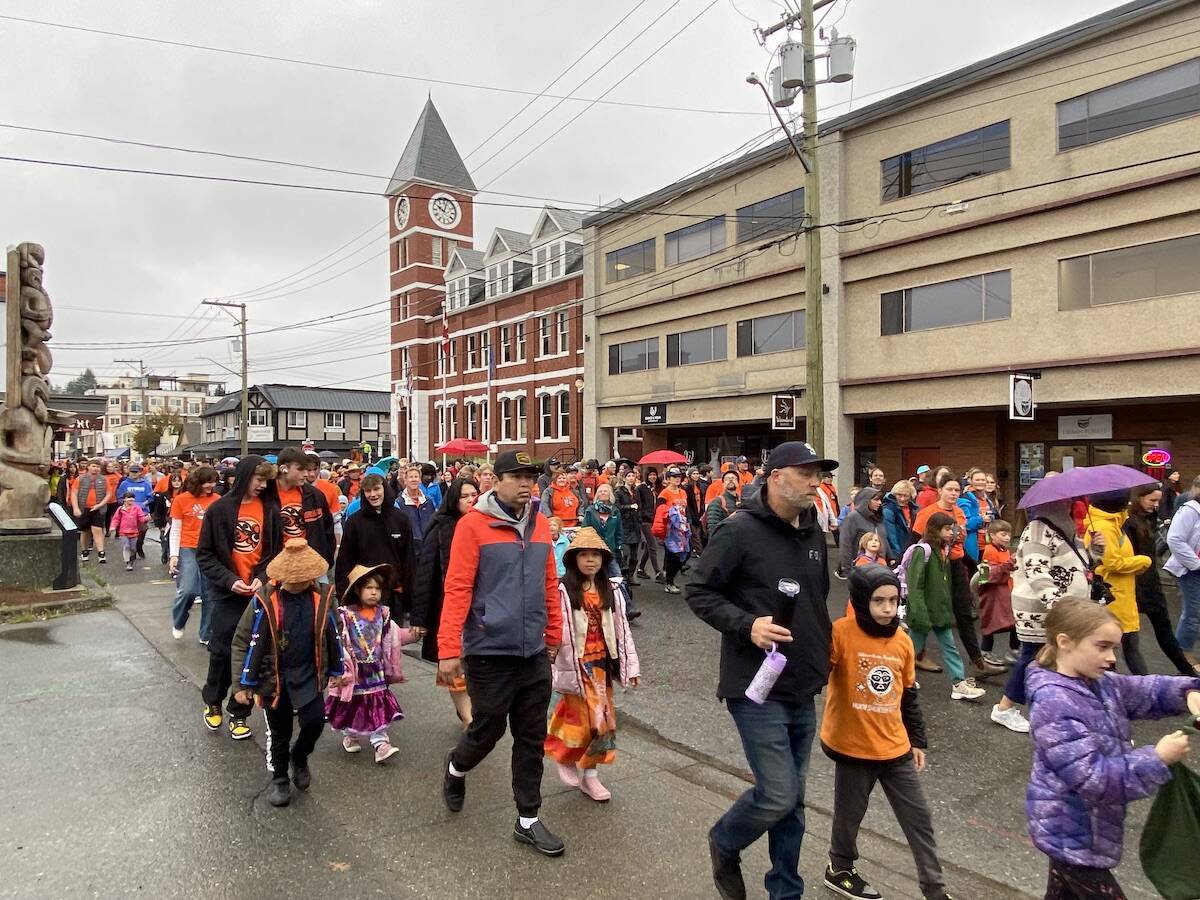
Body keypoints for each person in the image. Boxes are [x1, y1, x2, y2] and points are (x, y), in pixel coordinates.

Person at [687, 441, 836, 900]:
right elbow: (699, 591)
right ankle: (724, 840)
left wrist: (826, 657)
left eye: (819, 474)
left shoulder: (812, 532)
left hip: (802, 684)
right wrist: (747, 625)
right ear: (775, 477)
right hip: (755, 687)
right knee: (778, 793)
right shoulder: (738, 530)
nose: (816, 483)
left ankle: (785, 892)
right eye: (806, 473)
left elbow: (816, 602)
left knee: (794, 802)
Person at [1025, 599, 1200, 899]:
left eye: (1114, 648)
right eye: (1102, 647)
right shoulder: (1054, 704)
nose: (1110, 658)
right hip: (1072, 835)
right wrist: (1157, 758)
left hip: (1083, 829)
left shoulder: (1098, 682)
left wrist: (1187, 692)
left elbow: (1144, 691)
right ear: (1065, 642)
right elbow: (1093, 779)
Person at [437, 451, 565, 857]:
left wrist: (554, 632)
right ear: (496, 480)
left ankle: (527, 818)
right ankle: (457, 767)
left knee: (531, 736)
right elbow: (458, 586)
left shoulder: (540, 523)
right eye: (517, 476)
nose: (527, 484)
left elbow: (549, 581)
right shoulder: (473, 525)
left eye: (531, 477)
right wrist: (448, 648)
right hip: (489, 649)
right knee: (488, 729)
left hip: (532, 651)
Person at [821, 565, 949, 900]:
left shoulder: (902, 641)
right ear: (862, 600)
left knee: (919, 820)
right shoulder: (841, 632)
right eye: (879, 601)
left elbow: (908, 694)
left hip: (895, 748)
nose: (888, 608)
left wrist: (917, 739)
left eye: (893, 600)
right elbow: (817, 672)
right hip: (852, 746)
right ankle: (840, 868)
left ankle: (934, 889)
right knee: (849, 817)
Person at [230, 538, 344, 808]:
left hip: (309, 673)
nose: (296, 584)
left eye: (302, 579)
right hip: (274, 677)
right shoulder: (263, 599)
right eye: (291, 580)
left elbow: (334, 632)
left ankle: (300, 756)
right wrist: (240, 684)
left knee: (315, 722)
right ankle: (280, 778)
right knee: (280, 732)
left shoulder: (324, 597)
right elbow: (241, 640)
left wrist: (338, 668)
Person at [545, 527, 640, 802]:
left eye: (595, 555)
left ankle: (590, 774)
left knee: (603, 722)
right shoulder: (563, 590)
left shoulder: (612, 589)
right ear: (573, 559)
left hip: (601, 664)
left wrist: (631, 667)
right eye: (584, 555)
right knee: (582, 718)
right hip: (575, 664)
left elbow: (622, 631)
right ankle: (565, 755)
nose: (590, 560)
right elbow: (555, 628)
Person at [990, 498, 1092, 734]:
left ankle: (1065, 710)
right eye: (1064, 499)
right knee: (1034, 657)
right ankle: (1005, 708)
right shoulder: (1038, 529)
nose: (1069, 502)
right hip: (1041, 610)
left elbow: (1079, 564)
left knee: (1054, 658)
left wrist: (1096, 549)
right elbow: (1037, 571)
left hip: (1064, 608)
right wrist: (1058, 605)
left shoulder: (1065, 526)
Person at [197, 455, 279, 740]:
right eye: (259, 479)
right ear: (245, 477)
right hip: (226, 594)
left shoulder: (270, 509)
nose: (263, 485)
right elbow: (205, 556)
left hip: (257, 594)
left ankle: (239, 712)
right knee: (221, 652)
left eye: (267, 480)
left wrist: (262, 577)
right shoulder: (219, 509)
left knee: (252, 653)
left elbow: (275, 553)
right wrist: (230, 581)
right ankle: (213, 701)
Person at [912, 475, 1001, 680]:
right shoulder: (927, 513)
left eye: (956, 490)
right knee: (930, 614)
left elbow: (959, 546)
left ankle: (978, 662)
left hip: (956, 565)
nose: (953, 494)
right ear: (940, 490)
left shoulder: (959, 512)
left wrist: (975, 565)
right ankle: (913, 656)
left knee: (964, 614)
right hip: (935, 567)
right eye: (949, 489)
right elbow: (914, 542)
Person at [326, 563, 414, 764]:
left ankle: (380, 744)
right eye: (369, 588)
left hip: (376, 670)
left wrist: (414, 634)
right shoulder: (345, 615)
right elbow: (336, 641)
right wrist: (338, 668)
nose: (374, 592)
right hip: (354, 671)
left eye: (377, 588)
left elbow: (394, 636)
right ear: (357, 590)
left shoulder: (384, 614)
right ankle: (350, 734)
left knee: (377, 704)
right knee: (352, 705)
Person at [411, 477, 480, 729]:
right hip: (448, 605)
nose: (470, 500)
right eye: (465, 496)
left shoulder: (485, 524)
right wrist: (419, 618)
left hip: (481, 607)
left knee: (475, 665)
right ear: (453, 500)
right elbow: (425, 573)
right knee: (455, 662)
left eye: (474, 495)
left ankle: (470, 711)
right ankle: (468, 716)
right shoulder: (441, 527)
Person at [906, 512, 986, 702]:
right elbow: (915, 585)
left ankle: (958, 683)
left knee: (949, 647)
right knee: (910, 650)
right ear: (936, 530)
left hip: (939, 611)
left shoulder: (944, 550)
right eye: (948, 529)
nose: (952, 533)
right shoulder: (923, 551)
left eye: (952, 529)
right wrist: (919, 611)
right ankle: (900, 678)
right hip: (924, 612)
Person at [1126, 484, 1198, 675]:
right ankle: (1142, 681)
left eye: (1158, 500)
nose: (1156, 504)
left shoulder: (1149, 518)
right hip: (1133, 583)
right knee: (1129, 640)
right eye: (1152, 500)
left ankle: (1188, 673)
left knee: (1165, 632)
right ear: (1139, 498)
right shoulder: (1129, 522)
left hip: (1151, 583)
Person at [1086, 489, 1152, 675]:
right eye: (1126, 501)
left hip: (1120, 594)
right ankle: (1144, 686)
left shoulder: (1114, 524)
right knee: (1122, 647)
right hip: (1113, 596)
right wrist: (1143, 561)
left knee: (1121, 647)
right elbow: (1112, 563)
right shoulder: (1105, 527)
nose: (1129, 504)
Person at [335, 472, 417, 615]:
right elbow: (345, 561)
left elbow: (409, 559)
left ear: (384, 489)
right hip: (363, 596)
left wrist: (409, 595)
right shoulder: (354, 522)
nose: (373, 494)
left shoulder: (401, 519)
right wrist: (344, 596)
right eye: (368, 491)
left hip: (394, 594)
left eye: (377, 489)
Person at [169, 466, 219, 644]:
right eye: (208, 482)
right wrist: (174, 555)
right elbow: (176, 529)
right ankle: (179, 619)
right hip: (188, 548)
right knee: (188, 590)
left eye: (214, 482)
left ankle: (206, 634)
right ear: (198, 482)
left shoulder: (217, 500)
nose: (211, 486)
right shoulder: (181, 500)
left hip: (210, 550)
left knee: (210, 594)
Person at [977, 519, 1019, 667]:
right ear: (992, 535)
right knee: (990, 623)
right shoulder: (989, 551)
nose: (1007, 537)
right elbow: (986, 576)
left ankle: (1014, 650)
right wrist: (1009, 565)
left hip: (1005, 592)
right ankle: (985, 651)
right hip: (993, 595)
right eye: (1003, 534)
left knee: (1014, 622)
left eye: (1008, 534)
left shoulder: (1004, 550)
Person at [1168, 476, 1200, 667]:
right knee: (1192, 613)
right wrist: (1195, 563)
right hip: (1191, 570)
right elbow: (1174, 539)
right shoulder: (1189, 510)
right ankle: (1183, 654)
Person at [839, 486, 889, 573]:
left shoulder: (879, 518)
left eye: (880, 500)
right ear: (866, 500)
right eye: (876, 500)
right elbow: (845, 544)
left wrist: (891, 557)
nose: (880, 503)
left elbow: (883, 539)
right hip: (860, 568)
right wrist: (847, 568)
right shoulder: (853, 517)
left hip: (880, 567)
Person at [71, 458, 112, 564]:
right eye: (93, 466)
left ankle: (101, 552)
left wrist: (100, 504)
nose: (95, 469)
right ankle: (84, 551)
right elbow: (74, 493)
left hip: (98, 509)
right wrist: (75, 508)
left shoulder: (104, 479)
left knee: (97, 529)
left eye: (98, 467)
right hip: (84, 508)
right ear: (88, 467)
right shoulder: (80, 479)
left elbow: (108, 494)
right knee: (85, 531)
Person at [116, 464, 155, 559]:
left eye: (136, 472)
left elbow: (151, 498)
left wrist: (143, 504)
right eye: (132, 472)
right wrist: (127, 505)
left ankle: (139, 546)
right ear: (129, 472)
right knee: (130, 533)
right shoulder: (124, 484)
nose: (134, 474)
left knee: (142, 531)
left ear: (140, 473)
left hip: (142, 512)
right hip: (128, 513)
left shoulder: (146, 483)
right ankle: (131, 553)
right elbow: (119, 498)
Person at [579, 483, 623, 561]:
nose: (603, 493)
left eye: (605, 491)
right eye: (600, 491)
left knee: (615, 569)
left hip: (611, 549)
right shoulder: (590, 510)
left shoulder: (615, 511)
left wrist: (619, 546)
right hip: (595, 549)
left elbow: (618, 531)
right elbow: (585, 529)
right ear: (597, 495)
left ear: (610, 494)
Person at [613, 470, 642, 584]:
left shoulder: (636, 491)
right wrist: (629, 507)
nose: (631, 478)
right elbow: (616, 507)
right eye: (628, 476)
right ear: (624, 478)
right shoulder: (619, 492)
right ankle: (622, 575)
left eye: (632, 476)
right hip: (624, 525)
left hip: (635, 525)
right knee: (625, 553)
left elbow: (640, 506)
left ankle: (630, 575)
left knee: (634, 556)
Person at [397, 465, 437, 544]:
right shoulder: (399, 503)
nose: (414, 479)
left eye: (416, 477)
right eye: (411, 477)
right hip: (409, 546)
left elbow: (433, 525)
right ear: (405, 481)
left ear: (420, 480)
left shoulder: (428, 502)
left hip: (427, 545)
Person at [636, 472, 663, 583]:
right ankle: (658, 572)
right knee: (652, 545)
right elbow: (639, 505)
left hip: (654, 519)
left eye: (654, 475)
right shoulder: (641, 488)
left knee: (649, 546)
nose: (653, 477)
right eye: (650, 475)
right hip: (645, 520)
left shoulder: (655, 488)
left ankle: (641, 569)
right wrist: (643, 516)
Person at [110, 491, 148, 572]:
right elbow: (116, 519)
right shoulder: (120, 509)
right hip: (123, 532)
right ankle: (127, 561)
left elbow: (141, 518)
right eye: (129, 498)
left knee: (133, 548)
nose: (131, 500)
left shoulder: (137, 508)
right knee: (126, 546)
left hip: (134, 532)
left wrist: (146, 518)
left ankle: (131, 562)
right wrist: (113, 526)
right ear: (124, 499)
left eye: (132, 498)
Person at [882, 480, 918, 559]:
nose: (902, 499)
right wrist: (897, 556)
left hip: (909, 551)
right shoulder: (888, 510)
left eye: (906, 496)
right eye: (899, 495)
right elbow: (891, 536)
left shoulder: (914, 509)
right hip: (897, 554)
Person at [662, 495, 690, 595]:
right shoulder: (673, 513)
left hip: (681, 540)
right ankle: (669, 583)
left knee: (684, 556)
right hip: (672, 540)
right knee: (674, 559)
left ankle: (671, 580)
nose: (683, 508)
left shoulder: (683, 514)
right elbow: (678, 525)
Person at [705, 470, 741, 536]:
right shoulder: (717, 502)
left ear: (738, 483)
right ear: (723, 483)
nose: (730, 480)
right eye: (727, 479)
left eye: (733, 478)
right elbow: (712, 528)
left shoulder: (742, 501)